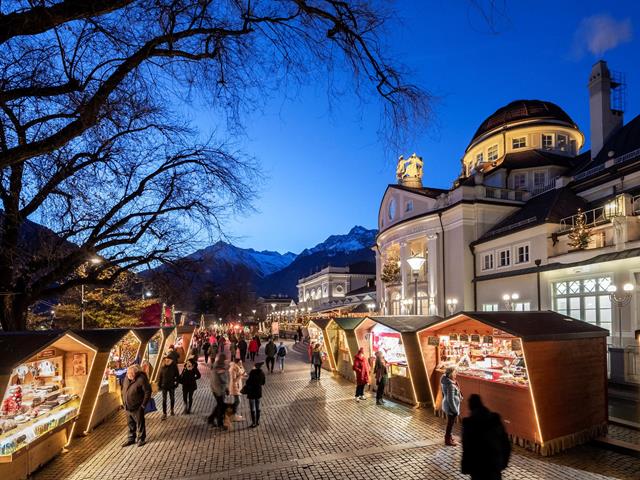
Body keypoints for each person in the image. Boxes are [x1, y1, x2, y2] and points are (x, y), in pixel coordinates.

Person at [462, 395, 511, 480]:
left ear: (470, 407)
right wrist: (503, 463)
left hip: (478, 469)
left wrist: (466, 467)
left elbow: (467, 449)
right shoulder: (495, 419)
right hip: (494, 466)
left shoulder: (469, 424)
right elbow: (506, 444)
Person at [121, 365, 151, 447]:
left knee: (140, 423)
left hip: (138, 407)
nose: (128, 374)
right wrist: (123, 402)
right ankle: (131, 438)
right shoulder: (126, 379)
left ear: (135, 373)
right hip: (127, 406)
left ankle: (141, 439)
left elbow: (147, 392)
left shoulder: (141, 379)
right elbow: (123, 389)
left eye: (130, 373)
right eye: (127, 373)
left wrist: (143, 405)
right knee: (130, 424)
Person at [441, 366, 462, 446]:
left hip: (448, 405)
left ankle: (449, 437)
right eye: (455, 372)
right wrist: (455, 410)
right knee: (450, 424)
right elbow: (451, 399)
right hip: (451, 407)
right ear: (450, 374)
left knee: (450, 423)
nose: (456, 374)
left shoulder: (446, 380)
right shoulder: (450, 385)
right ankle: (447, 440)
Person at [209, 354, 228, 430]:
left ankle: (211, 419)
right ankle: (220, 423)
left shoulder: (216, 366)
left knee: (220, 405)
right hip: (219, 390)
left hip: (216, 389)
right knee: (221, 406)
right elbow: (223, 380)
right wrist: (225, 389)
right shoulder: (219, 368)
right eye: (225, 360)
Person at [157, 355, 180, 419]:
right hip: (164, 386)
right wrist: (159, 385)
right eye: (166, 360)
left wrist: (176, 383)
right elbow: (160, 376)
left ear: (171, 360)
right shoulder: (163, 366)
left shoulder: (174, 366)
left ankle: (172, 410)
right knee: (164, 400)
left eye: (168, 360)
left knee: (172, 398)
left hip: (171, 385)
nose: (167, 361)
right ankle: (164, 413)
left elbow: (177, 376)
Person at [244, 361, 266, 428]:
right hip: (258, 392)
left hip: (251, 392)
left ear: (255, 367)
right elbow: (263, 383)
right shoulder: (262, 373)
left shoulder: (252, 372)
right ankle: (258, 421)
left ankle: (253, 423)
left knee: (252, 408)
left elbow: (248, 382)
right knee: (258, 407)